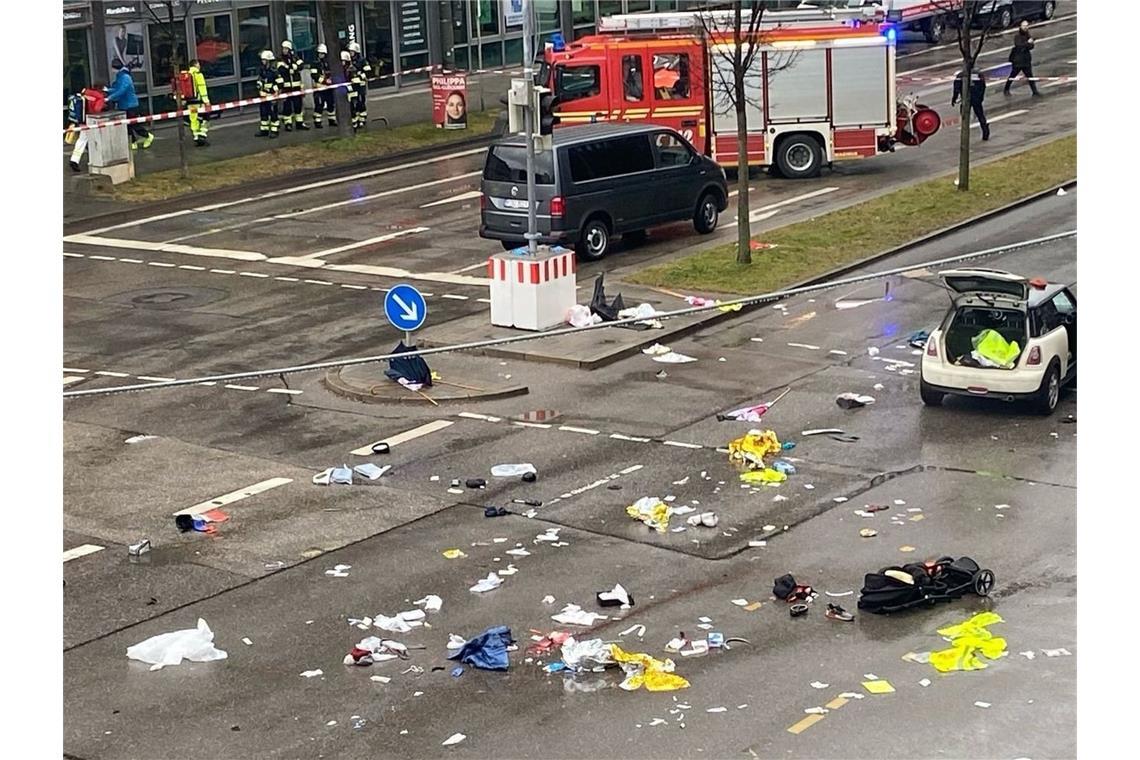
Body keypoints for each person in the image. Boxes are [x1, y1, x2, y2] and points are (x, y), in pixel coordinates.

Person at [105, 60, 153, 149]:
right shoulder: (120, 76)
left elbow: (121, 90)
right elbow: (116, 88)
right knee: (127, 125)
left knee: (134, 124)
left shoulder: (125, 77)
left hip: (131, 105)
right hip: (123, 105)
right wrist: (108, 90)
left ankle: (147, 136)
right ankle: (133, 142)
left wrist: (109, 97)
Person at [66, 81, 106, 172]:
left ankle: (74, 159)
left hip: (82, 120)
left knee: (82, 140)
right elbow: (96, 109)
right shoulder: (100, 96)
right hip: (92, 120)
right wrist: (103, 105)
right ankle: (95, 159)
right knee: (96, 139)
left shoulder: (86, 92)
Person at [279, 40, 310, 131]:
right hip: (287, 87)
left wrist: (294, 66)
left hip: (296, 86)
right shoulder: (280, 59)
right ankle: (288, 124)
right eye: (283, 49)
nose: (284, 50)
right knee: (287, 106)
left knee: (298, 105)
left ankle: (299, 123)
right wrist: (289, 68)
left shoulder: (295, 57)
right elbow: (281, 69)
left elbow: (301, 65)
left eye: (286, 49)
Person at [1005, 20, 1041, 97]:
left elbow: (1031, 46)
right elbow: (1019, 45)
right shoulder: (1017, 36)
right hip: (1018, 60)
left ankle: (1035, 91)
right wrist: (1028, 43)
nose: (1025, 27)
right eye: (1024, 26)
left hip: (1026, 60)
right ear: (1021, 26)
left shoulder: (1028, 35)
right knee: (1013, 75)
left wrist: (1029, 43)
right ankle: (1006, 88)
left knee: (1030, 77)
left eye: (1027, 26)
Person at [952, 68, 989, 141]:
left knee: (964, 115)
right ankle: (985, 131)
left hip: (966, 99)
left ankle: (965, 130)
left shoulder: (961, 75)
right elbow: (983, 86)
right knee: (980, 115)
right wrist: (981, 97)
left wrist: (954, 98)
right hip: (976, 98)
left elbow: (956, 88)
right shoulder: (978, 74)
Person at [255, 50, 283, 138]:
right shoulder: (262, 70)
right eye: (262, 60)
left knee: (273, 114)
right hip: (263, 96)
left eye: (264, 60)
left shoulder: (274, 71)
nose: (263, 62)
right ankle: (264, 130)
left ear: (268, 61)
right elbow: (259, 80)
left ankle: (274, 131)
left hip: (271, 96)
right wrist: (259, 85)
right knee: (263, 113)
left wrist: (272, 89)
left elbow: (280, 83)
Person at [183, 59, 210, 146]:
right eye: (198, 64)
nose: (199, 66)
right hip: (198, 101)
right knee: (205, 117)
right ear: (196, 65)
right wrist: (206, 101)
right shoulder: (198, 74)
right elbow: (202, 88)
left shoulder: (186, 75)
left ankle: (196, 137)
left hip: (190, 102)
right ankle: (202, 135)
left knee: (193, 119)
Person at [348, 41, 372, 130]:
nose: (350, 53)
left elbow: (368, 72)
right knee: (354, 103)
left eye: (352, 51)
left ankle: (362, 119)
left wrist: (359, 75)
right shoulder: (349, 61)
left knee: (361, 102)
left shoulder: (362, 61)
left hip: (360, 85)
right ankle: (356, 120)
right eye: (350, 51)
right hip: (352, 86)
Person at [311, 43, 337, 128]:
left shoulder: (328, 63)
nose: (320, 55)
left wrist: (331, 80)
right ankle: (317, 121)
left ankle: (332, 119)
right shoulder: (315, 63)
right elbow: (314, 75)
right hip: (319, 88)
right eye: (319, 53)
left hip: (329, 88)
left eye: (322, 54)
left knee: (331, 103)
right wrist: (325, 81)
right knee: (319, 105)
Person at [341, 50, 361, 129]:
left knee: (353, 108)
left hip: (353, 92)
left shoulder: (352, 69)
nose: (342, 63)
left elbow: (355, 81)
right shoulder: (341, 70)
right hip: (345, 92)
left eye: (344, 61)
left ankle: (355, 124)